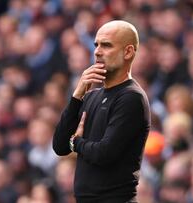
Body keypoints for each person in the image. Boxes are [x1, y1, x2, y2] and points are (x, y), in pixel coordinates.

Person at [53, 20, 151, 203]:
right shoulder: (91, 96)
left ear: (128, 52)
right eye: (96, 45)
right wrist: (76, 96)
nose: (97, 51)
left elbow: (104, 153)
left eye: (106, 45)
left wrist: (77, 142)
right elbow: (59, 146)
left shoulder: (131, 97)